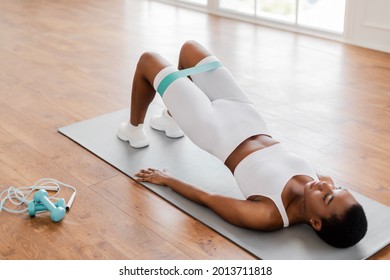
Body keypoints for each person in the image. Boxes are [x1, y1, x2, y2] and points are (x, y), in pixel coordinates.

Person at [117, 40, 368, 248]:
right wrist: (329, 194)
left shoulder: (268, 214)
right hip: (245, 111)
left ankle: (133, 130)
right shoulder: (320, 184)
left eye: (327, 199)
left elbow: (209, 198)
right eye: (337, 189)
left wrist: (167, 179)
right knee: (190, 49)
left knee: (148, 60)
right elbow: (328, 189)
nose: (326, 185)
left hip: (210, 127)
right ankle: (172, 119)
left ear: (315, 222)